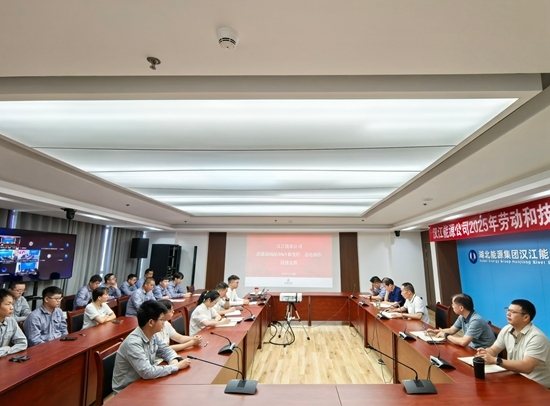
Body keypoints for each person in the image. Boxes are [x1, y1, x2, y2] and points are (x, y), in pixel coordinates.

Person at [112, 300, 191, 393]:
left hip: (144, 382)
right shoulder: (133, 343)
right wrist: (176, 366)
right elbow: (147, 372)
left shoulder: (152, 334)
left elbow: (166, 350)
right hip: (126, 391)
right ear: (151, 322)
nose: (164, 323)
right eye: (162, 319)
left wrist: (173, 360)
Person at [476, 299, 550, 388]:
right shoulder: (506, 329)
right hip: (516, 377)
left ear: (526, 317)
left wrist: (495, 360)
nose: (508, 314)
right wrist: (485, 353)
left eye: (513, 312)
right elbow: (493, 350)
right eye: (508, 310)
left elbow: (527, 367)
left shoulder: (537, 338)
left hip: (538, 386)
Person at [425, 293, 494, 349]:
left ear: (461, 308)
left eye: (453, 304)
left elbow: (464, 342)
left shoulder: (476, 321)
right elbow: (451, 330)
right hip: (472, 348)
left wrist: (445, 336)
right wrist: (437, 331)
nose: (452, 306)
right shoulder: (462, 316)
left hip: (484, 353)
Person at [0, 289, 27, 357]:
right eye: (8, 304)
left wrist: (7, 351)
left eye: (12, 304)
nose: (12, 308)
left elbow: (23, 343)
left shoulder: (11, 321)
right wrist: (5, 348)